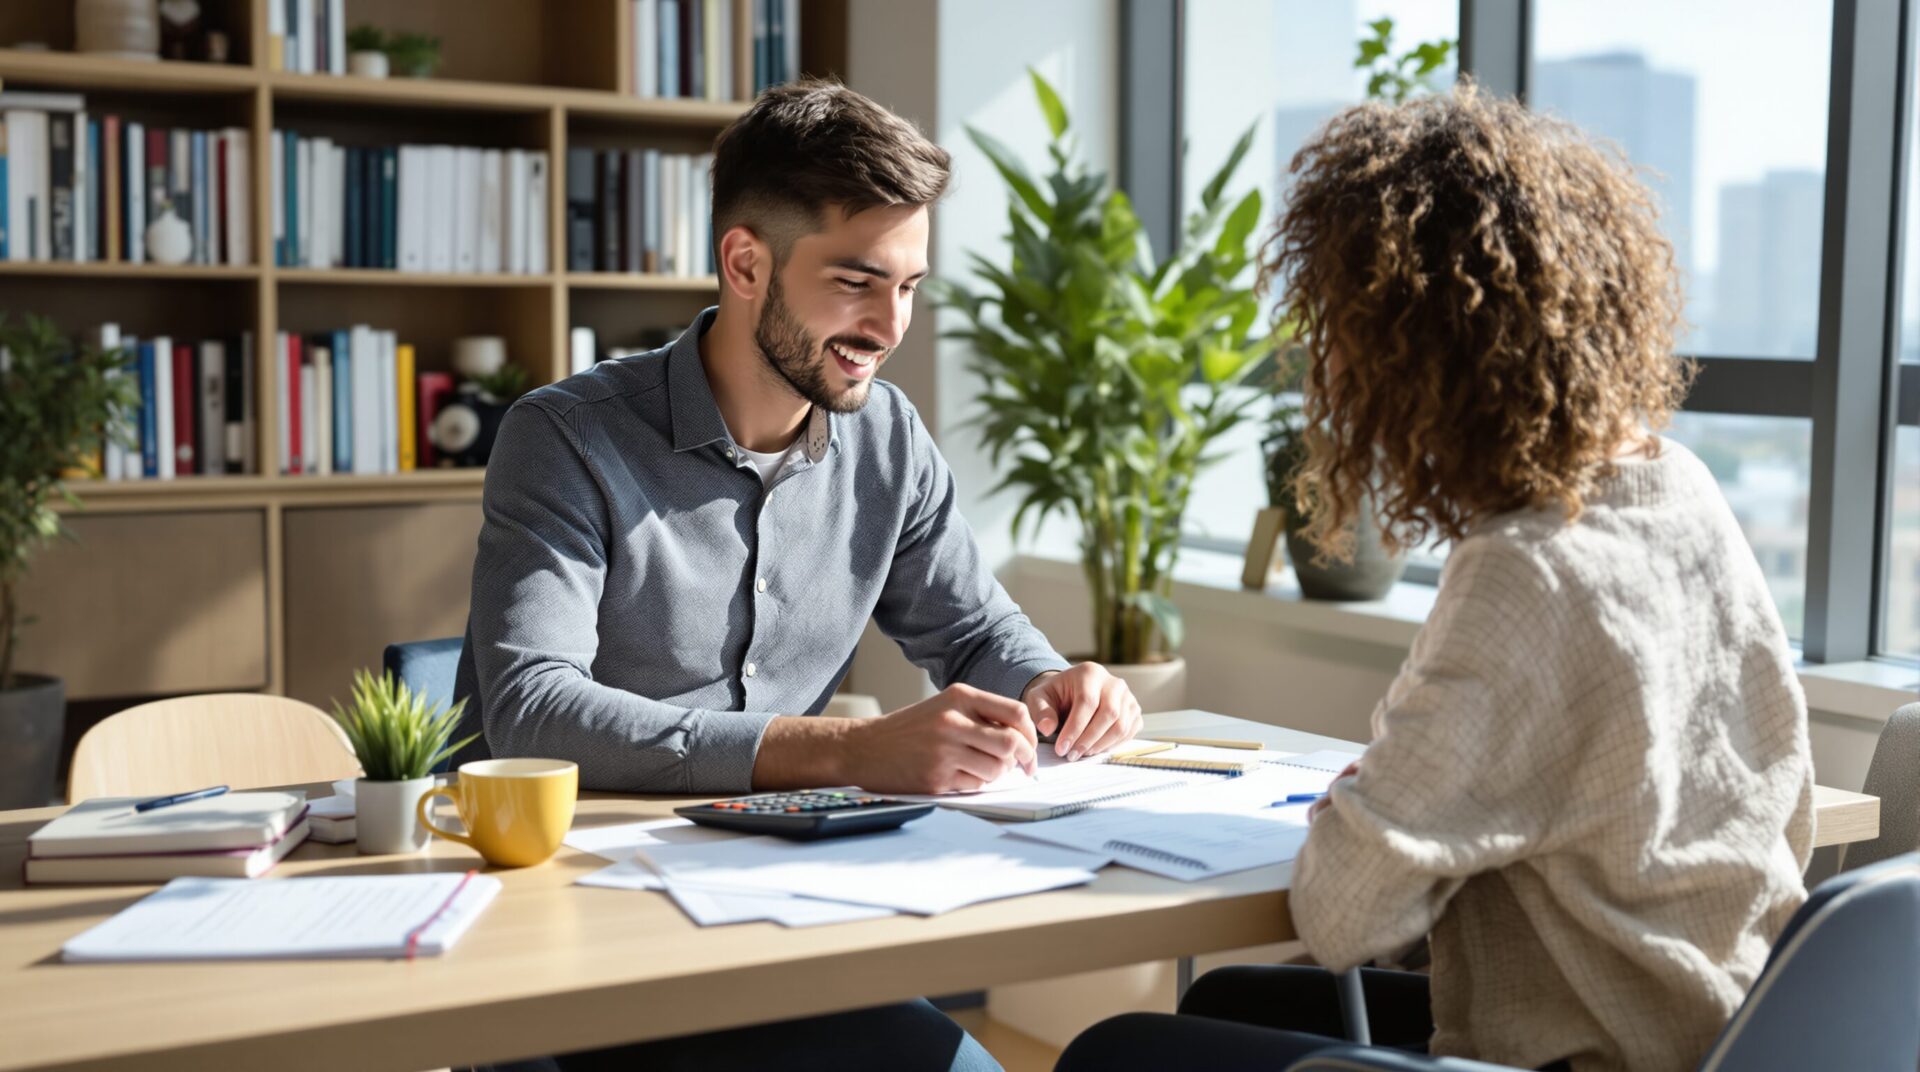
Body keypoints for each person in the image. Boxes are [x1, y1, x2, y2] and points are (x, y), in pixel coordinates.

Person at [1059, 82, 1813, 1072]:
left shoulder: (1526, 570)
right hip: (1730, 1030)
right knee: (1231, 997)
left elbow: (1340, 917)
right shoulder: (1681, 487)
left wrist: (1358, 806)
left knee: (1120, 1053)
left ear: (1410, 361)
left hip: (1592, 1052)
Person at [454, 79, 1144, 1071]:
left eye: (909, 285)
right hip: (582, 937)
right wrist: (848, 749)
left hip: (784, 922)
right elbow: (533, 712)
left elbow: (973, 631)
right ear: (746, 262)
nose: (890, 324)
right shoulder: (565, 437)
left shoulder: (889, 440)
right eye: (857, 281)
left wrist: (1048, 683)